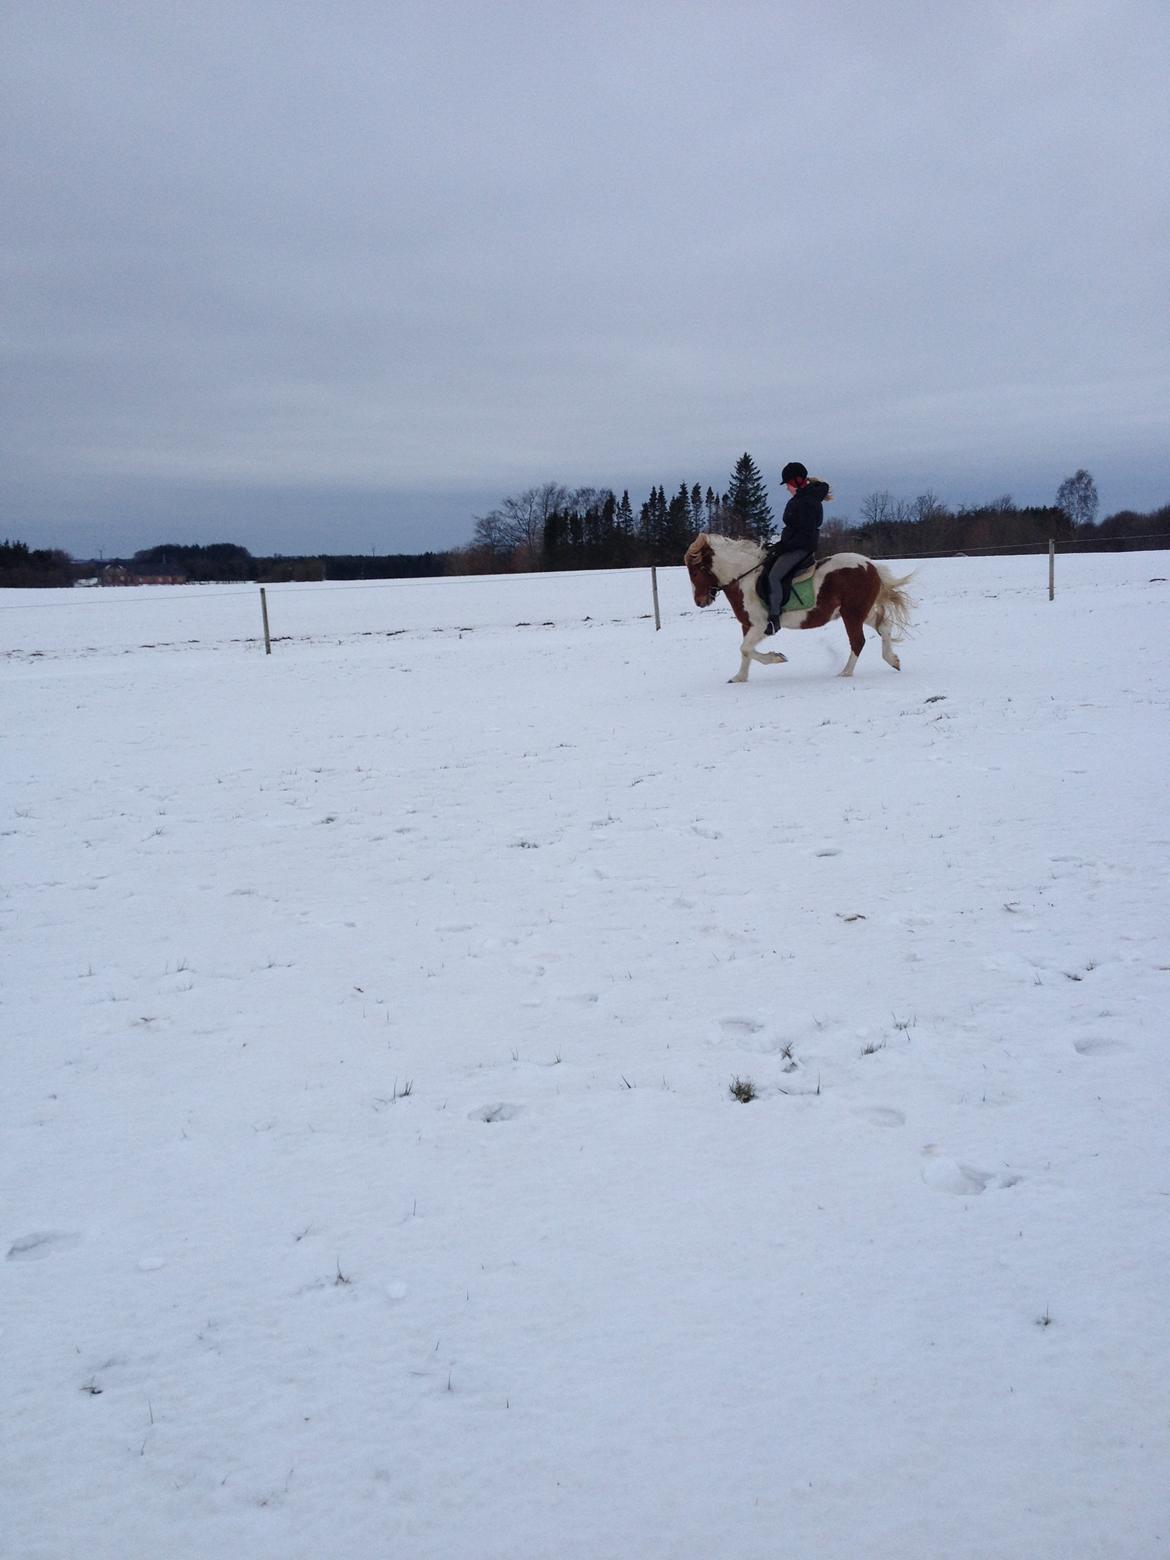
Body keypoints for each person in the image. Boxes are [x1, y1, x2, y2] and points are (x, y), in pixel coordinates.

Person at [760, 461, 831, 633]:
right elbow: (795, 529)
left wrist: (785, 546)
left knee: (774, 576)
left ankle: (774, 618)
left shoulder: (806, 501)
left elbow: (805, 533)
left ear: (798, 481)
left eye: (788, 484)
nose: (787, 488)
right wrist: (780, 545)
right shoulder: (803, 498)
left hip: (801, 548)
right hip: (793, 545)